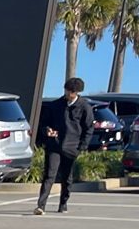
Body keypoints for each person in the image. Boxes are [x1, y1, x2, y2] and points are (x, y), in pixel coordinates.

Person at [34, 77, 94, 215]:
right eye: (67, 91)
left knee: (67, 177)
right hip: (54, 146)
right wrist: (47, 130)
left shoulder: (84, 107)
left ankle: (63, 203)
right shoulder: (56, 105)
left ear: (77, 92)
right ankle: (41, 206)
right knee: (49, 175)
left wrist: (81, 147)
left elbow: (89, 128)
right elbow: (43, 123)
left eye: (72, 92)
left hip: (72, 147)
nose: (69, 94)